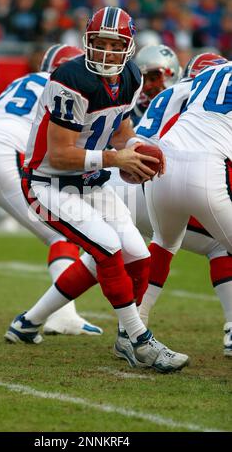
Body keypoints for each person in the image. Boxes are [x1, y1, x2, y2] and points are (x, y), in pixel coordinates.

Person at [5, 6, 189, 373]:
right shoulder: (71, 78)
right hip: (47, 183)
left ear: (129, 47)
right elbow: (59, 154)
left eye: (114, 44)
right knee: (107, 245)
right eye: (99, 43)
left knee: (139, 254)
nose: (106, 51)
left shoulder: (132, 76)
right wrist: (116, 159)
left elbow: (119, 129)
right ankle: (139, 339)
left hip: (90, 183)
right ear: (87, 42)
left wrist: (137, 149)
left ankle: (38, 326)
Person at [0, 44, 103, 337]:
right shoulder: (66, 89)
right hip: (2, 154)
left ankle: (62, 315)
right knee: (63, 234)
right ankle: (63, 316)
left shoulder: (20, 82)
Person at [111, 52, 232, 362]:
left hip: (159, 166)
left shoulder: (202, 81)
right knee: (220, 245)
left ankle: (131, 333)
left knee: (163, 245)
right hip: (203, 172)